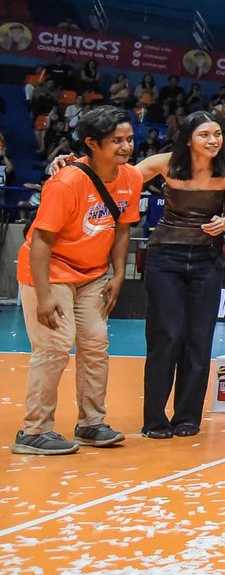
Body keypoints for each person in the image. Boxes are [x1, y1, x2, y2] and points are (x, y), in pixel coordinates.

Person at [13, 107, 141, 455]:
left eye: (129, 139)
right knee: (55, 346)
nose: (126, 146)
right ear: (92, 143)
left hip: (92, 275)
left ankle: (91, 423)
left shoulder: (131, 177)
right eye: (117, 141)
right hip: (50, 272)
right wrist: (43, 295)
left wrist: (118, 274)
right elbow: (41, 241)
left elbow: (123, 228)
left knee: (96, 345)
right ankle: (34, 431)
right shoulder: (66, 182)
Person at [138, 111, 225, 438]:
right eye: (204, 135)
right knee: (165, 336)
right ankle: (154, 420)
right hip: (164, 256)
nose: (213, 141)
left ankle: (187, 418)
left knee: (199, 338)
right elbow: (117, 178)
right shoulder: (163, 163)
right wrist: (72, 163)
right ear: (187, 139)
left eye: (217, 134)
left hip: (206, 259)